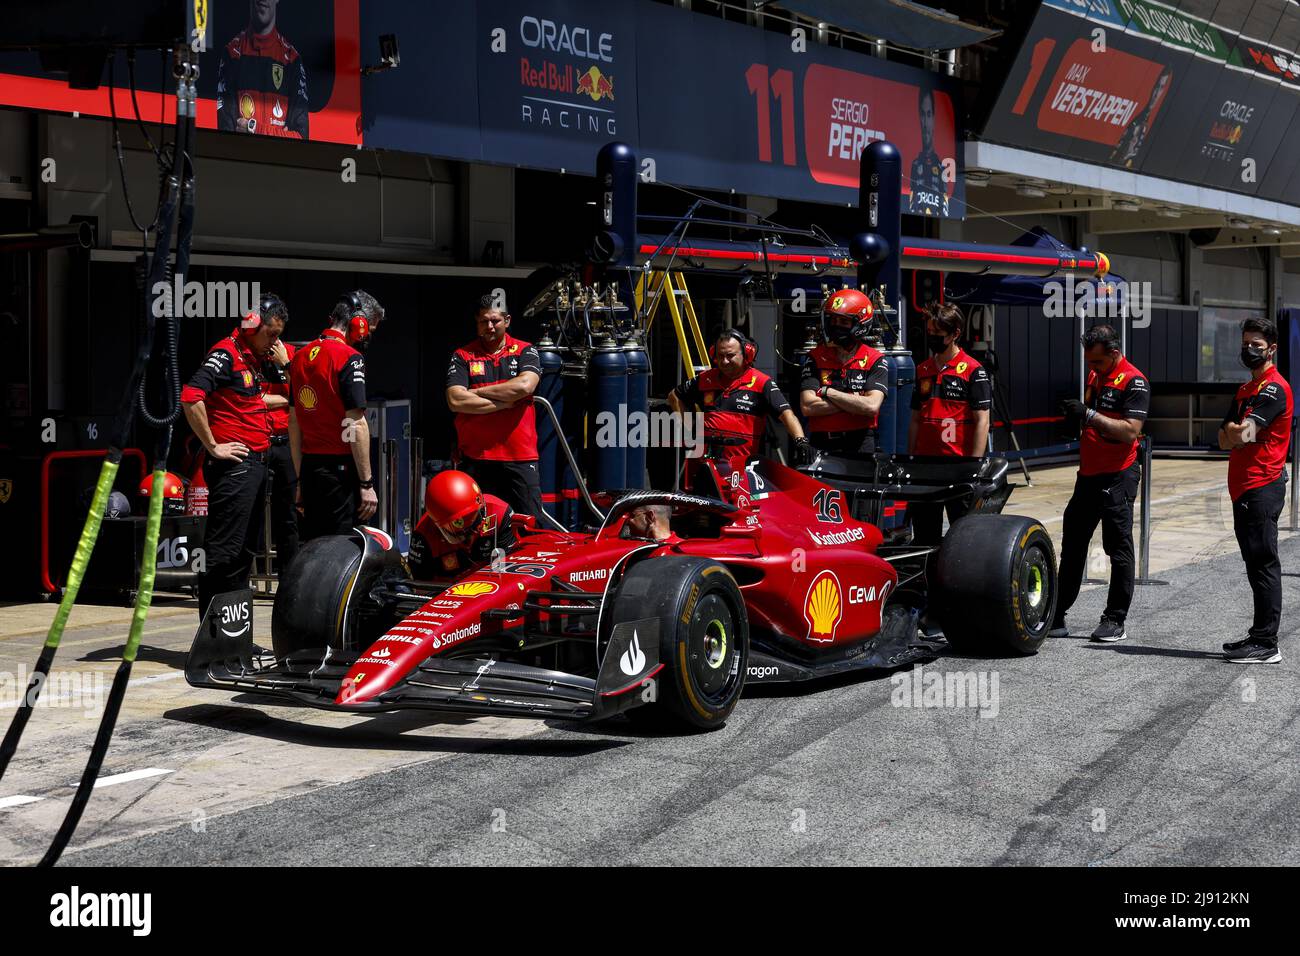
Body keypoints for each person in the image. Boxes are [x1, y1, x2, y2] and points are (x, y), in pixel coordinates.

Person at [181, 305, 284, 616]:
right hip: (235, 468)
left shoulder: (250, 360)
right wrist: (212, 446)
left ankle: (233, 636)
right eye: (272, 334)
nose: (275, 343)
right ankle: (212, 639)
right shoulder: (225, 353)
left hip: (256, 466)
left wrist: (292, 398)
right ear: (253, 327)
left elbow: (251, 398)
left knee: (243, 554)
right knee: (224, 553)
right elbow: (191, 396)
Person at [1050, 325, 1150, 643]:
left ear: (1114, 353)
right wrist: (1074, 420)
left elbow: (1129, 431)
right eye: (1088, 361)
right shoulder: (1097, 377)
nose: (1091, 368)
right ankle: (1057, 613)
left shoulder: (1134, 381)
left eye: (1096, 362)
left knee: (1117, 547)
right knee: (1073, 544)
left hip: (1118, 474)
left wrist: (1089, 414)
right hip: (1088, 474)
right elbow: (1093, 419)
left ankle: (1114, 619)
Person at [1218, 317, 1293, 664]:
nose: (1248, 350)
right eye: (1245, 344)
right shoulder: (1245, 390)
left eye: (1256, 346)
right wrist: (1234, 433)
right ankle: (1259, 635)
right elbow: (1222, 438)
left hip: (1262, 486)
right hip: (1243, 489)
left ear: (1272, 349)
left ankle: (1266, 642)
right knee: (1254, 564)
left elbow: (1244, 433)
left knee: (1263, 564)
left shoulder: (1275, 388)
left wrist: (1236, 433)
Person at [288, 290, 385, 540]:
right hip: (340, 474)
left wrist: (300, 480)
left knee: (313, 546)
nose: (366, 338)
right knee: (343, 551)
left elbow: (294, 423)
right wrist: (367, 484)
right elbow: (356, 423)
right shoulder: (350, 358)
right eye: (369, 331)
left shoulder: (299, 357)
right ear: (359, 323)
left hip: (310, 470)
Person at [667, 329, 811, 488]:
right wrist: (689, 428)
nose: (725, 361)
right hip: (703, 468)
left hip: (741, 472)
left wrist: (801, 441)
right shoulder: (705, 379)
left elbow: (787, 415)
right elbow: (674, 396)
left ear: (747, 354)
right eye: (720, 356)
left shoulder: (762, 383)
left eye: (730, 356)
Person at [445, 295, 545, 519]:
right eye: (483, 321)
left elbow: (525, 385)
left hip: (519, 457)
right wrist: (506, 402)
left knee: (529, 527)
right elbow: (455, 400)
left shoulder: (525, 350)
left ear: (507, 320)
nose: (489, 326)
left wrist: (477, 391)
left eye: (495, 320)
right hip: (476, 458)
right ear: (477, 322)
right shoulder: (463, 355)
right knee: (477, 528)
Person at [908, 301, 992, 546]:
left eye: (938, 334)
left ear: (955, 334)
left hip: (959, 467)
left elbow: (982, 421)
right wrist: (911, 457)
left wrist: (974, 467)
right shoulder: (922, 369)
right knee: (924, 536)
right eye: (930, 332)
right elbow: (915, 418)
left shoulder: (973, 371)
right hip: (925, 467)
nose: (932, 337)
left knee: (964, 537)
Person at [800, 289, 891, 455]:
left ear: (860, 325)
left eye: (843, 321)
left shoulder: (875, 359)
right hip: (821, 443)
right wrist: (854, 402)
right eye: (833, 320)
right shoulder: (815, 357)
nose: (836, 326)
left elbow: (871, 406)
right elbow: (807, 406)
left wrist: (829, 392)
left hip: (861, 443)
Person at [216, 0, 309, 139]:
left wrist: (253, 127)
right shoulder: (232, 54)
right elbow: (227, 139)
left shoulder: (292, 59)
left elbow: (301, 138)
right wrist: (282, 135)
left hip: (278, 161)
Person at [408, 470, 515, 580]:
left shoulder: (501, 513)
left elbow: (512, 569)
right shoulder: (423, 536)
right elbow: (420, 586)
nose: (469, 538)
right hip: (446, 592)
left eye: (473, 521)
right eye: (460, 532)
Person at [257, 294, 298, 569]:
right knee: (252, 514)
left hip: (287, 444)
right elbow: (253, 399)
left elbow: (306, 396)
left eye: (278, 335)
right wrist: (288, 399)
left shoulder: (291, 355)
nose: (273, 341)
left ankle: (289, 582)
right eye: (270, 333)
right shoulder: (248, 357)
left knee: (289, 518)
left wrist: (285, 365)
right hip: (258, 441)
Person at [908, 88, 948, 217]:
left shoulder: (942, 167)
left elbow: (946, 210)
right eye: (923, 114)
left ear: (934, 118)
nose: (925, 123)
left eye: (929, 114)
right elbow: (911, 205)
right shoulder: (915, 164)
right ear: (919, 117)